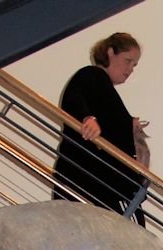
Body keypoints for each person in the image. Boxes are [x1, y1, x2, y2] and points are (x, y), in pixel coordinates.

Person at [52, 31, 149, 222]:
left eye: (134, 65)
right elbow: (74, 97)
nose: (130, 69)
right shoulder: (93, 74)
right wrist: (87, 118)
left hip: (96, 182)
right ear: (110, 53)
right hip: (91, 180)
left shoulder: (102, 86)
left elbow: (107, 122)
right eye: (128, 60)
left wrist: (128, 123)